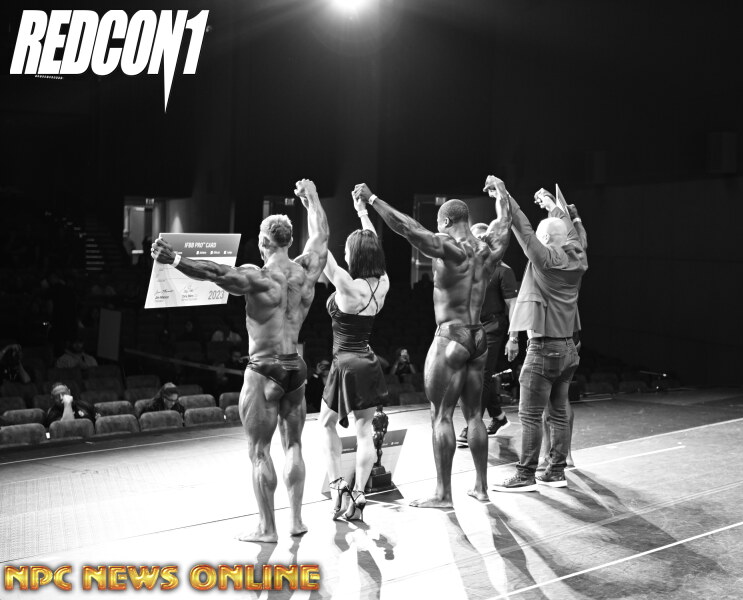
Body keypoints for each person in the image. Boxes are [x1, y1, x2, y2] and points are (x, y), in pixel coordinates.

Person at [151, 177, 328, 541]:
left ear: (263, 242)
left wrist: (175, 258)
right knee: (294, 445)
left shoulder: (259, 276)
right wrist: (311, 198)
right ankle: (296, 521)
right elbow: (321, 236)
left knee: (259, 451)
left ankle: (267, 528)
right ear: (289, 241)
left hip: (264, 368)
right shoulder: (306, 270)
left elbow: (215, 272)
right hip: (295, 366)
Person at [354, 175, 511, 507]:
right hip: (479, 336)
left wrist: (373, 200)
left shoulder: (450, 248)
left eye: (439, 224)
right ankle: (481, 488)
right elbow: (504, 222)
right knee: (474, 416)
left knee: (441, 415)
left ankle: (443, 494)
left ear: (446, 222)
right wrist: (501, 192)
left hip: (451, 336)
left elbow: (408, 229)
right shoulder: (487, 249)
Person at [491, 187, 587, 492]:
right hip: (568, 348)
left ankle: (525, 475)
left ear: (545, 239)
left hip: (544, 348)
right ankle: (555, 472)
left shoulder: (545, 259)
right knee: (558, 413)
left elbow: (522, 227)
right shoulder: (579, 256)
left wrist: (504, 194)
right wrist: (552, 205)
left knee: (530, 415)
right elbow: (571, 232)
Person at [319, 192, 390, 522]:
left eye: (348, 249)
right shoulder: (383, 283)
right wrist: (362, 212)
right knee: (364, 433)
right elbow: (373, 241)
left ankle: (336, 485)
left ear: (356, 255)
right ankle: (359, 494)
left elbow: (321, 248)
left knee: (325, 424)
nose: (345, 253)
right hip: (368, 361)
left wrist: (313, 206)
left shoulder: (347, 285)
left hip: (345, 363)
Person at [456, 222, 517, 448]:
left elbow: (513, 305)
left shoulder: (503, 270)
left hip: (492, 327)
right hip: (470, 326)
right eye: (475, 238)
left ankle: (473, 426)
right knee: (479, 375)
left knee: (480, 376)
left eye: (483, 237)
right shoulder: (467, 268)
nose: (479, 241)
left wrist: (513, 338)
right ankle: (498, 417)